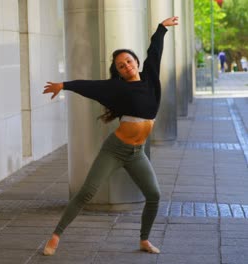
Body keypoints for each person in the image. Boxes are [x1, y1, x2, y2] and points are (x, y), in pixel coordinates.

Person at [41, 16, 179, 256]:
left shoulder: (150, 79)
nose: (126, 66)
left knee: (154, 195)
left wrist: (161, 28)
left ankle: (144, 240)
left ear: (136, 61)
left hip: (137, 153)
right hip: (115, 149)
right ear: (119, 72)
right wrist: (64, 85)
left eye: (128, 61)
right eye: (121, 66)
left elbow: (154, 51)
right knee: (86, 192)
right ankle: (56, 235)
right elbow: (91, 86)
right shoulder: (118, 88)